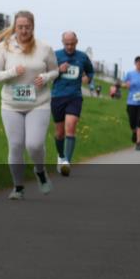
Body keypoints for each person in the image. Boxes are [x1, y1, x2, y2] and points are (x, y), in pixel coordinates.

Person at [0, 10, 59, 200]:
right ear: (15, 27)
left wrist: (45, 77)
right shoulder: (5, 48)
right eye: (20, 27)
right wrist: (11, 72)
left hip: (39, 103)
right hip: (11, 105)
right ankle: (18, 187)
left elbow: (55, 71)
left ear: (33, 27)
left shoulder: (44, 48)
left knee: (34, 145)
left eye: (27, 27)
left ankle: (40, 171)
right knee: (16, 145)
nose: (24, 30)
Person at [50, 31, 95, 176]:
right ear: (62, 42)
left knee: (71, 126)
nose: (69, 46)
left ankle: (66, 163)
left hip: (74, 97)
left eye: (72, 43)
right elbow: (47, 74)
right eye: (66, 44)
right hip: (57, 97)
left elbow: (90, 71)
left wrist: (88, 79)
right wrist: (58, 70)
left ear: (76, 42)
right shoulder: (55, 55)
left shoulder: (82, 57)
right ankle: (61, 156)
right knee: (59, 133)